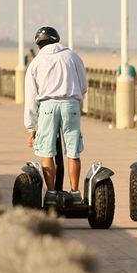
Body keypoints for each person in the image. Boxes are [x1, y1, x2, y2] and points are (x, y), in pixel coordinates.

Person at [23, 26, 89, 200]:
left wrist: (31, 128)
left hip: (48, 107)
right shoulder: (72, 56)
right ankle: (75, 192)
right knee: (73, 151)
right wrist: (74, 98)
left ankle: (52, 193)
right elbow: (83, 85)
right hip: (70, 105)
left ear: (39, 45)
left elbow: (31, 97)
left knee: (47, 151)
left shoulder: (36, 62)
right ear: (56, 40)